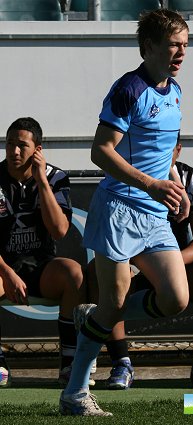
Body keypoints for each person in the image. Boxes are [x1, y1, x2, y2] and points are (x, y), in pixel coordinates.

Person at [59, 8, 190, 417]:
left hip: (154, 215)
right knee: (113, 303)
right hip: (118, 209)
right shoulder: (128, 89)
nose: (181, 52)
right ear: (148, 47)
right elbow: (101, 151)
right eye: (174, 44)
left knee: (175, 300)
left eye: (185, 44)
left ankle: (95, 317)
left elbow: (165, 148)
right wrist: (151, 184)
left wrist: (175, 181)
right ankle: (75, 395)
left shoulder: (177, 90)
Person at [92, 141, 193, 390]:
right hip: (131, 265)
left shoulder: (192, 180)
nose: (158, 150)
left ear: (178, 149)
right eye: (153, 143)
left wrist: (170, 263)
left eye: (166, 144)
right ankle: (121, 362)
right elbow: (111, 233)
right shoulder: (126, 176)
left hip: (175, 267)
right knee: (98, 274)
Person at [0, 117, 86, 388]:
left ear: (38, 149)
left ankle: (69, 363)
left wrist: (41, 181)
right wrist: (7, 272)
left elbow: (59, 230)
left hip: (41, 265)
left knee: (74, 274)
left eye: (22, 146)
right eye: (9, 144)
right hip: (3, 266)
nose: (14, 151)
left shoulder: (55, 177)